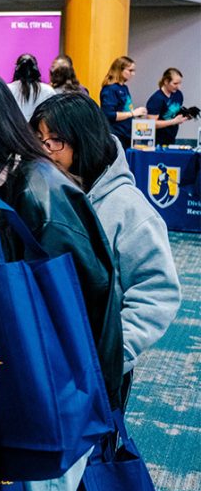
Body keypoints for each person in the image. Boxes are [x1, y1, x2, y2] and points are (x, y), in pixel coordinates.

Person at [0, 68, 123, 491]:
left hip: (55, 392)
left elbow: (83, 300)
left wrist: (76, 390)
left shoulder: (38, 189)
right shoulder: (7, 182)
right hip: (38, 385)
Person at [30, 93, 181, 406]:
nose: (46, 150)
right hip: (48, 358)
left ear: (83, 141)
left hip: (99, 370)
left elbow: (157, 292)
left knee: (97, 434)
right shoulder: (44, 193)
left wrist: (111, 354)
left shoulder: (129, 209)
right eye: (39, 140)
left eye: (56, 140)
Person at [100, 56, 149, 149]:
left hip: (126, 133)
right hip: (116, 134)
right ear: (120, 69)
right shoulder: (110, 89)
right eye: (130, 70)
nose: (133, 74)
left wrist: (136, 114)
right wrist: (132, 113)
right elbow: (109, 114)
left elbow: (124, 109)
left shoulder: (124, 87)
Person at [146, 67, 189, 146]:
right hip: (157, 141)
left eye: (180, 83)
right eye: (175, 84)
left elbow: (175, 113)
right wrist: (173, 121)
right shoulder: (157, 99)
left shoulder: (178, 94)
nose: (178, 87)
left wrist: (186, 115)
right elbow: (151, 124)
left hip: (171, 137)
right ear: (166, 81)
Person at [8, 53, 56, 120]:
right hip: (39, 126)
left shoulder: (8, 89)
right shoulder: (48, 91)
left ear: (17, 70)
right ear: (36, 70)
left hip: (14, 126)